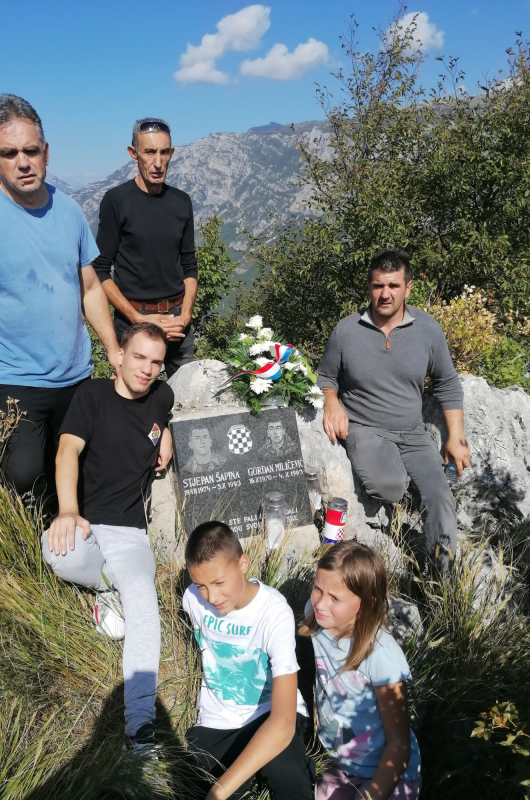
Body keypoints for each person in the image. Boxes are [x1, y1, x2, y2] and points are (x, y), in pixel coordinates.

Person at [0, 93, 118, 506]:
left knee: (78, 477)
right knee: (23, 481)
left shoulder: (70, 211)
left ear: (46, 152)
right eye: (9, 153)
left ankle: (72, 546)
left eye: (31, 151)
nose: (23, 162)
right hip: (13, 382)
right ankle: (21, 548)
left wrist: (113, 349)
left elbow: (90, 288)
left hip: (75, 376)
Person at [41, 322, 173, 748]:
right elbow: (67, 450)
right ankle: (107, 588)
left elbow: (160, 415)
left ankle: (140, 724)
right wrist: (68, 510)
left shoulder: (162, 397)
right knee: (56, 552)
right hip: (86, 521)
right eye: (139, 357)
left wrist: (165, 434)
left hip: (130, 531)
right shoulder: (92, 395)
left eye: (156, 362)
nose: (147, 369)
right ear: (118, 356)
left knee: (144, 605)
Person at [317, 249, 470, 571]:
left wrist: (456, 438)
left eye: (393, 286)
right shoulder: (346, 330)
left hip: (413, 432)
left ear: (407, 288)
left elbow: (447, 383)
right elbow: (326, 377)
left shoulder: (427, 330)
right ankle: (405, 497)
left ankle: (442, 579)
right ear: (369, 287)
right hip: (364, 428)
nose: (385, 294)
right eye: (378, 286)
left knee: (440, 496)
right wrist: (332, 402)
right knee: (390, 486)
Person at [183, 521, 314, 800]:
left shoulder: (273, 612)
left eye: (219, 583)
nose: (211, 597)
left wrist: (220, 790)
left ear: (243, 564)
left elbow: (283, 721)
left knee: (289, 778)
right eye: (201, 585)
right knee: (191, 788)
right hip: (219, 719)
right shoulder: (192, 599)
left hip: (271, 711)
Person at [300, 541, 421, 800]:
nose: (320, 604)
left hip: (386, 770)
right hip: (341, 765)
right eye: (318, 589)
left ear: (365, 604)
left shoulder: (382, 656)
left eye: (335, 598)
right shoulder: (317, 619)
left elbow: (399, 744)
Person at [93, 118, 198, 377]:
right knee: (133, 395)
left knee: (187, 394)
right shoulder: (117, 201)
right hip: (133, 320)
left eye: (164, 152)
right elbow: (101, 269)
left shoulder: (181, 202)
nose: (158, 162)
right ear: (134, 153)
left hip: (177, 322)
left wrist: (185, 315)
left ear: (172, 153)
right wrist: (137, 318)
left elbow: (189, 265)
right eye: (150, 152)